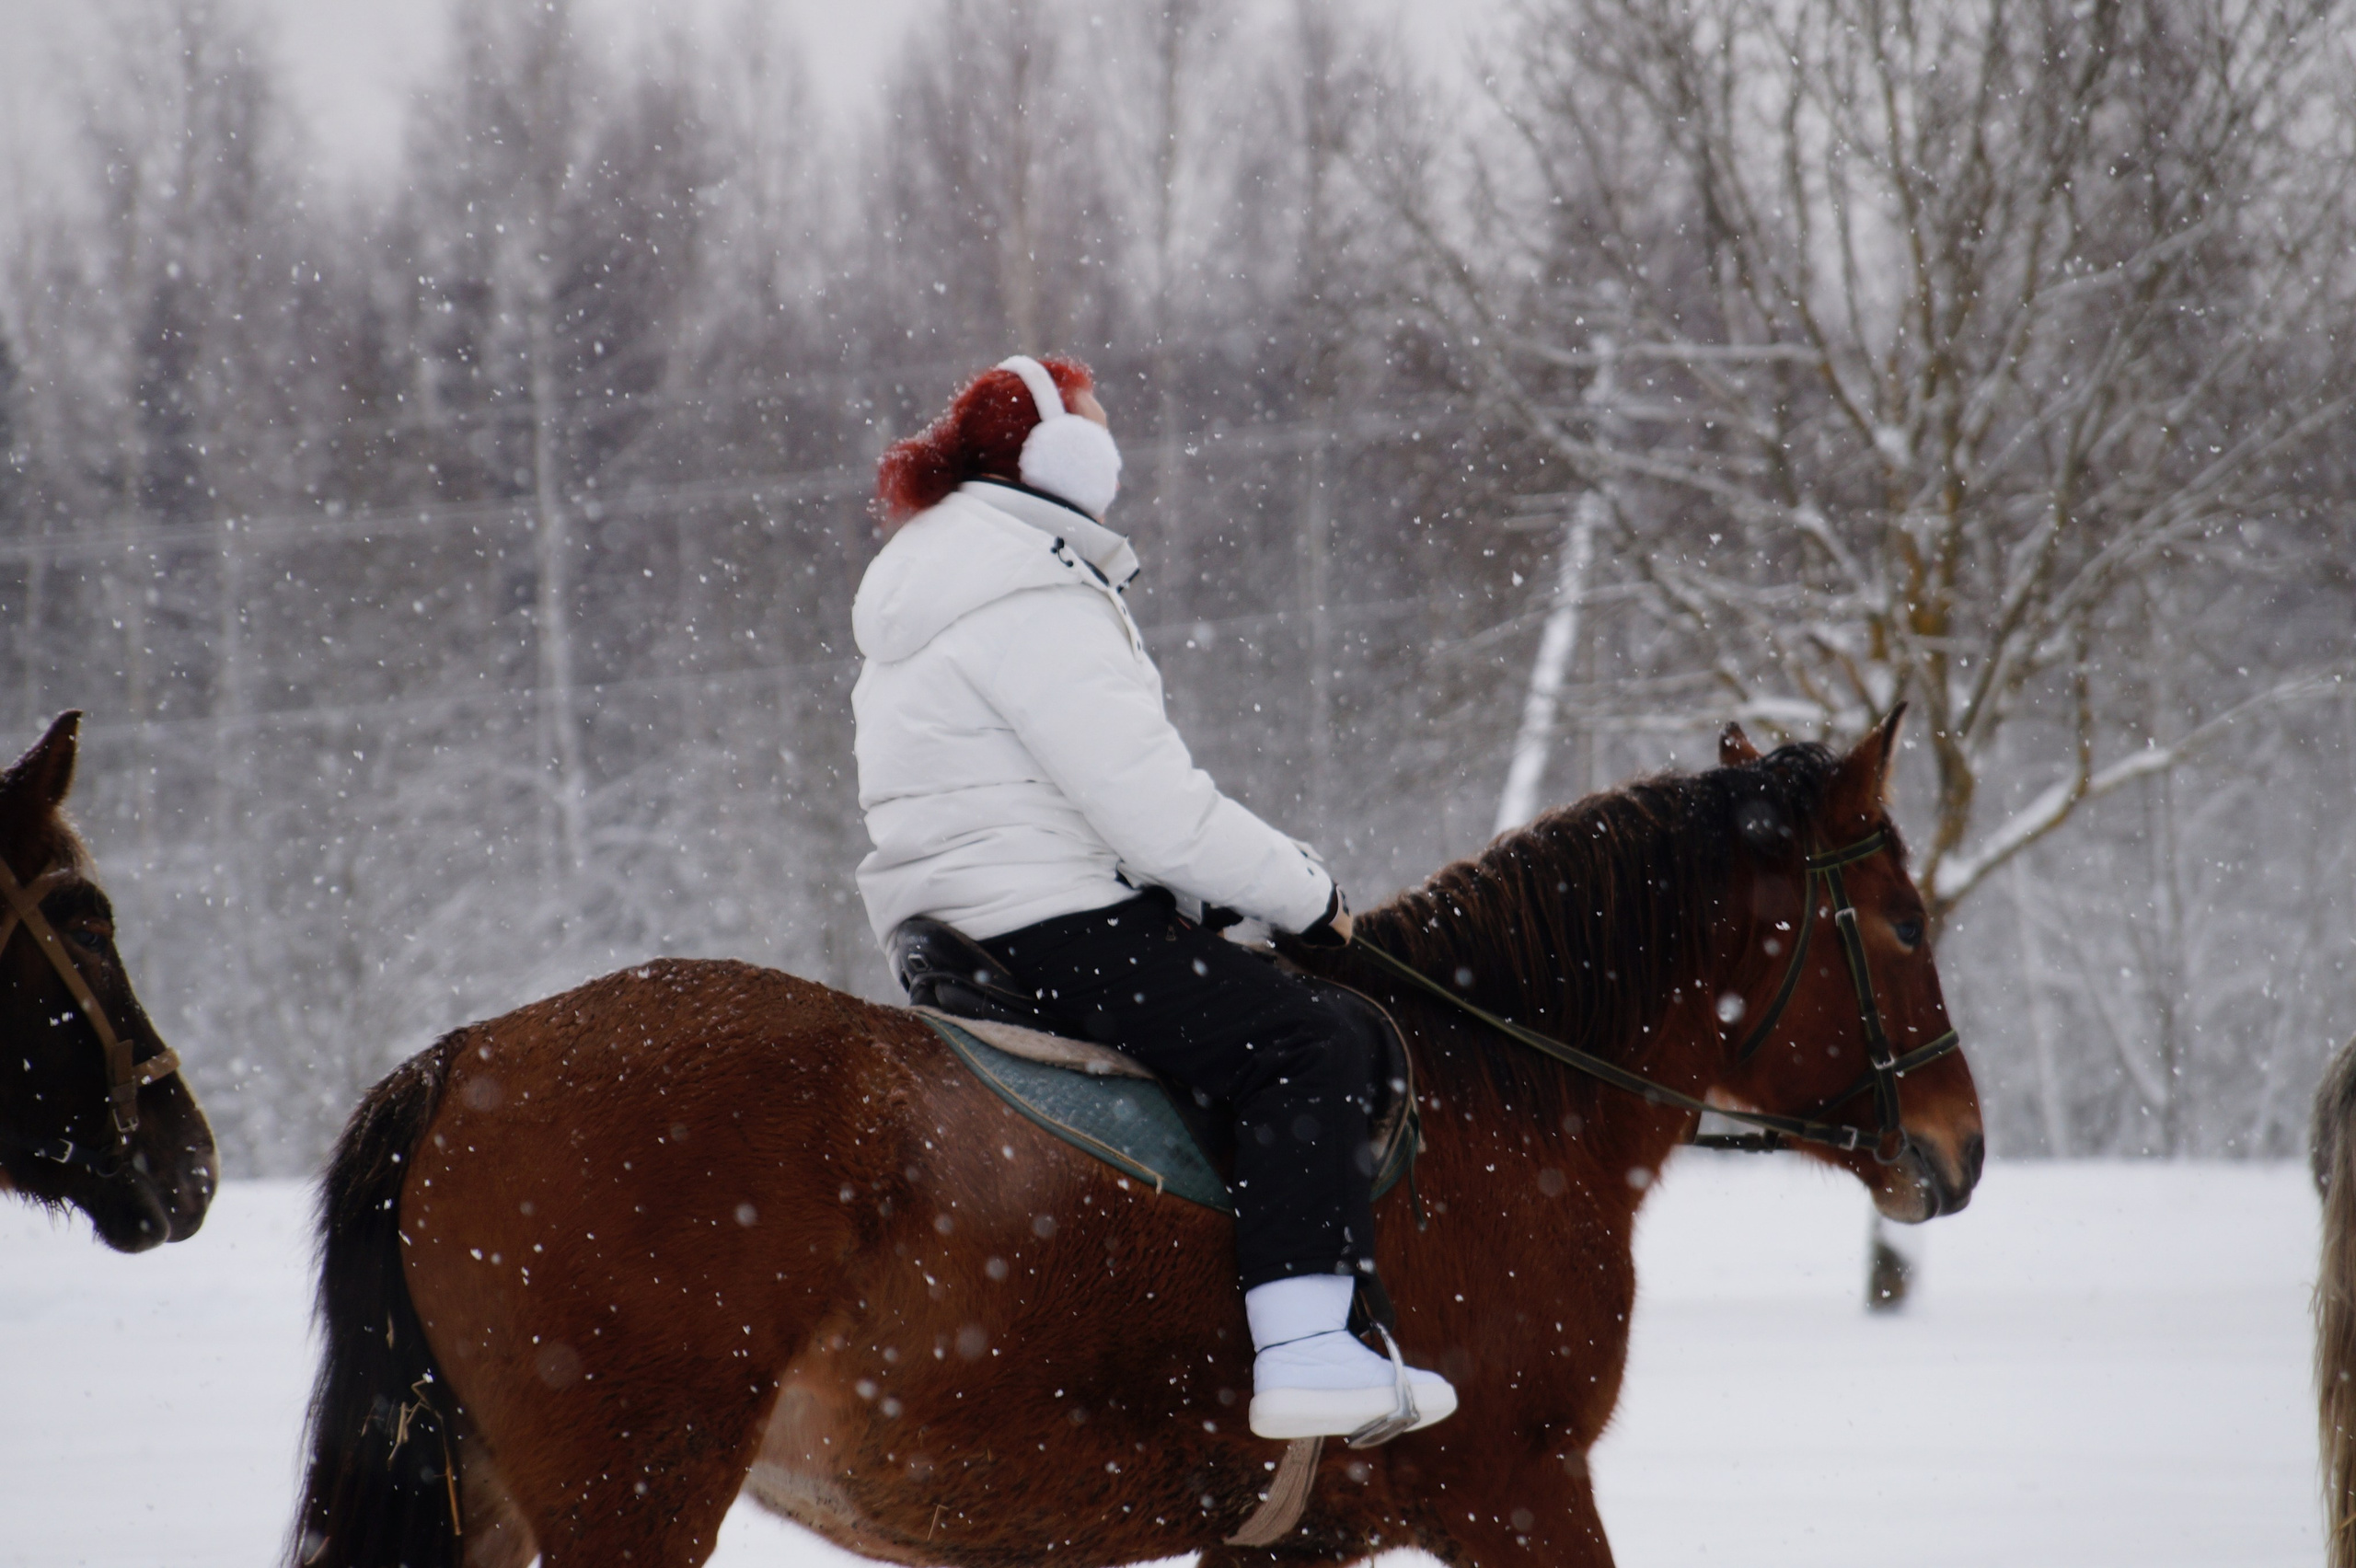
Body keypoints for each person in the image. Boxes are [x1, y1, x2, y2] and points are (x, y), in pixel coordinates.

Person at [850, 354, 1455, 1441]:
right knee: (1311, 1042)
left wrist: (1207, 902)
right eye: (1097, 423)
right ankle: (1309, 1350)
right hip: (1056, 921)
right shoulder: (1029, 590)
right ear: (1057, 454)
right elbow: (1155, 812)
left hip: (962, 921)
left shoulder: (935, 581)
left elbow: (1054, 801)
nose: (1114, 443)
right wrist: (1305, 893)